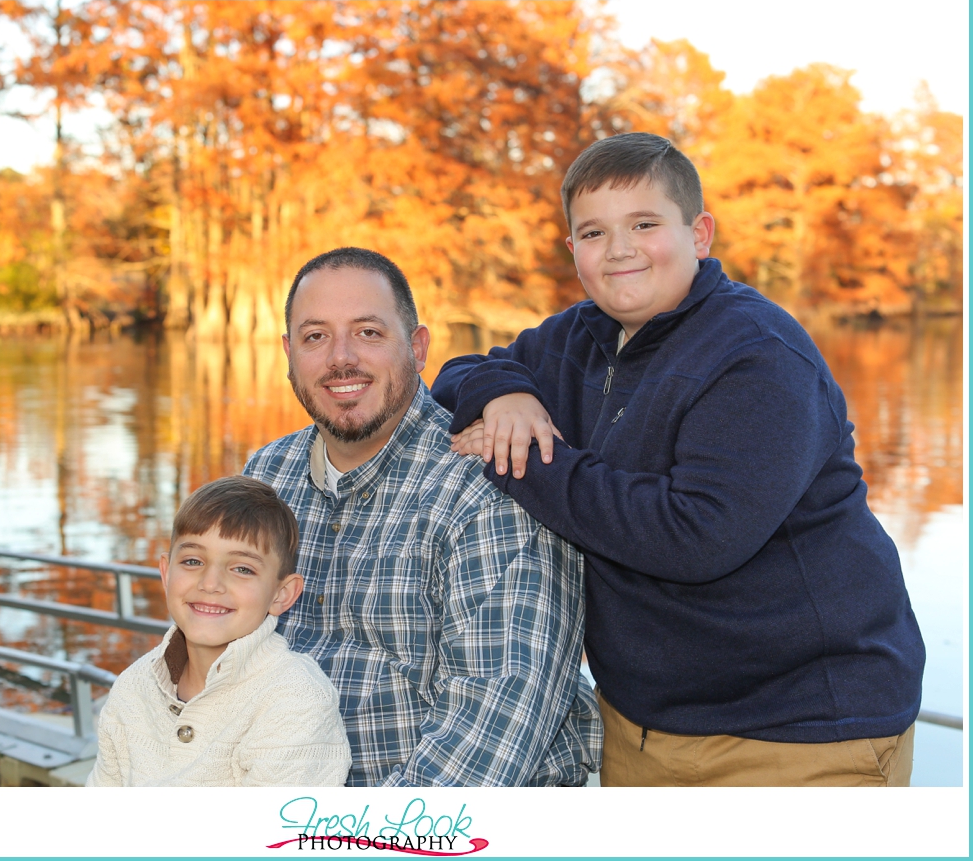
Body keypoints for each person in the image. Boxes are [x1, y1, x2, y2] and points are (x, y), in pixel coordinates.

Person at [432, 131, 925, 789]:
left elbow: (695, 537)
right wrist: (506, 393)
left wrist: (522, 456)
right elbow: (456, 373)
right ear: (573, 249)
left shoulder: (757, 354)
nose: (621, 249)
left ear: (699, 233)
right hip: (641, 726)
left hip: (803, 729)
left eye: (644, 223)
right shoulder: (580, 336)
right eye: (594, 232)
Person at [245, 248, 602, 787]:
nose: (341, 358)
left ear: (418, 348)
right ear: (289, 353)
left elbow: (490, 733)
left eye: (368, 332)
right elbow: (216, 650)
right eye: (315, 336)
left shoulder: (492, 480)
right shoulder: (265, 476)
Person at [87, 475, 350, 786]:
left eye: (242, 569)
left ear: (282, 594)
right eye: (193, 560)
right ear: (166, 573)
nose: (210, 583)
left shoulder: (296, 700)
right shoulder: (133, 686)